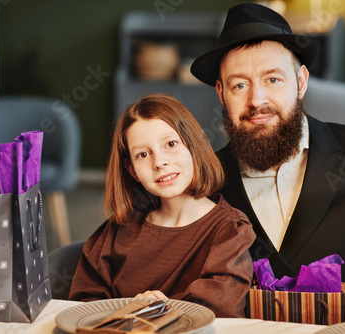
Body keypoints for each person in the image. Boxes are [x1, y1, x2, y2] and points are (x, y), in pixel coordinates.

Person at [190, 3, 345, 320]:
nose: (257, 100)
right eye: (240, 85)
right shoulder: (207, 182)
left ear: (301, 82)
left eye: (273, 79)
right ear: (221, 94)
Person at [68, 93, 256, 318]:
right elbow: (84, 304)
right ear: (132, 171)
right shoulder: (120, 228)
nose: (159, 162)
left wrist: (160, 311)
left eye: (171, 144)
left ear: (193, 146)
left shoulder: (230, 230)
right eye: (143, 154)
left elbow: (220, 307)